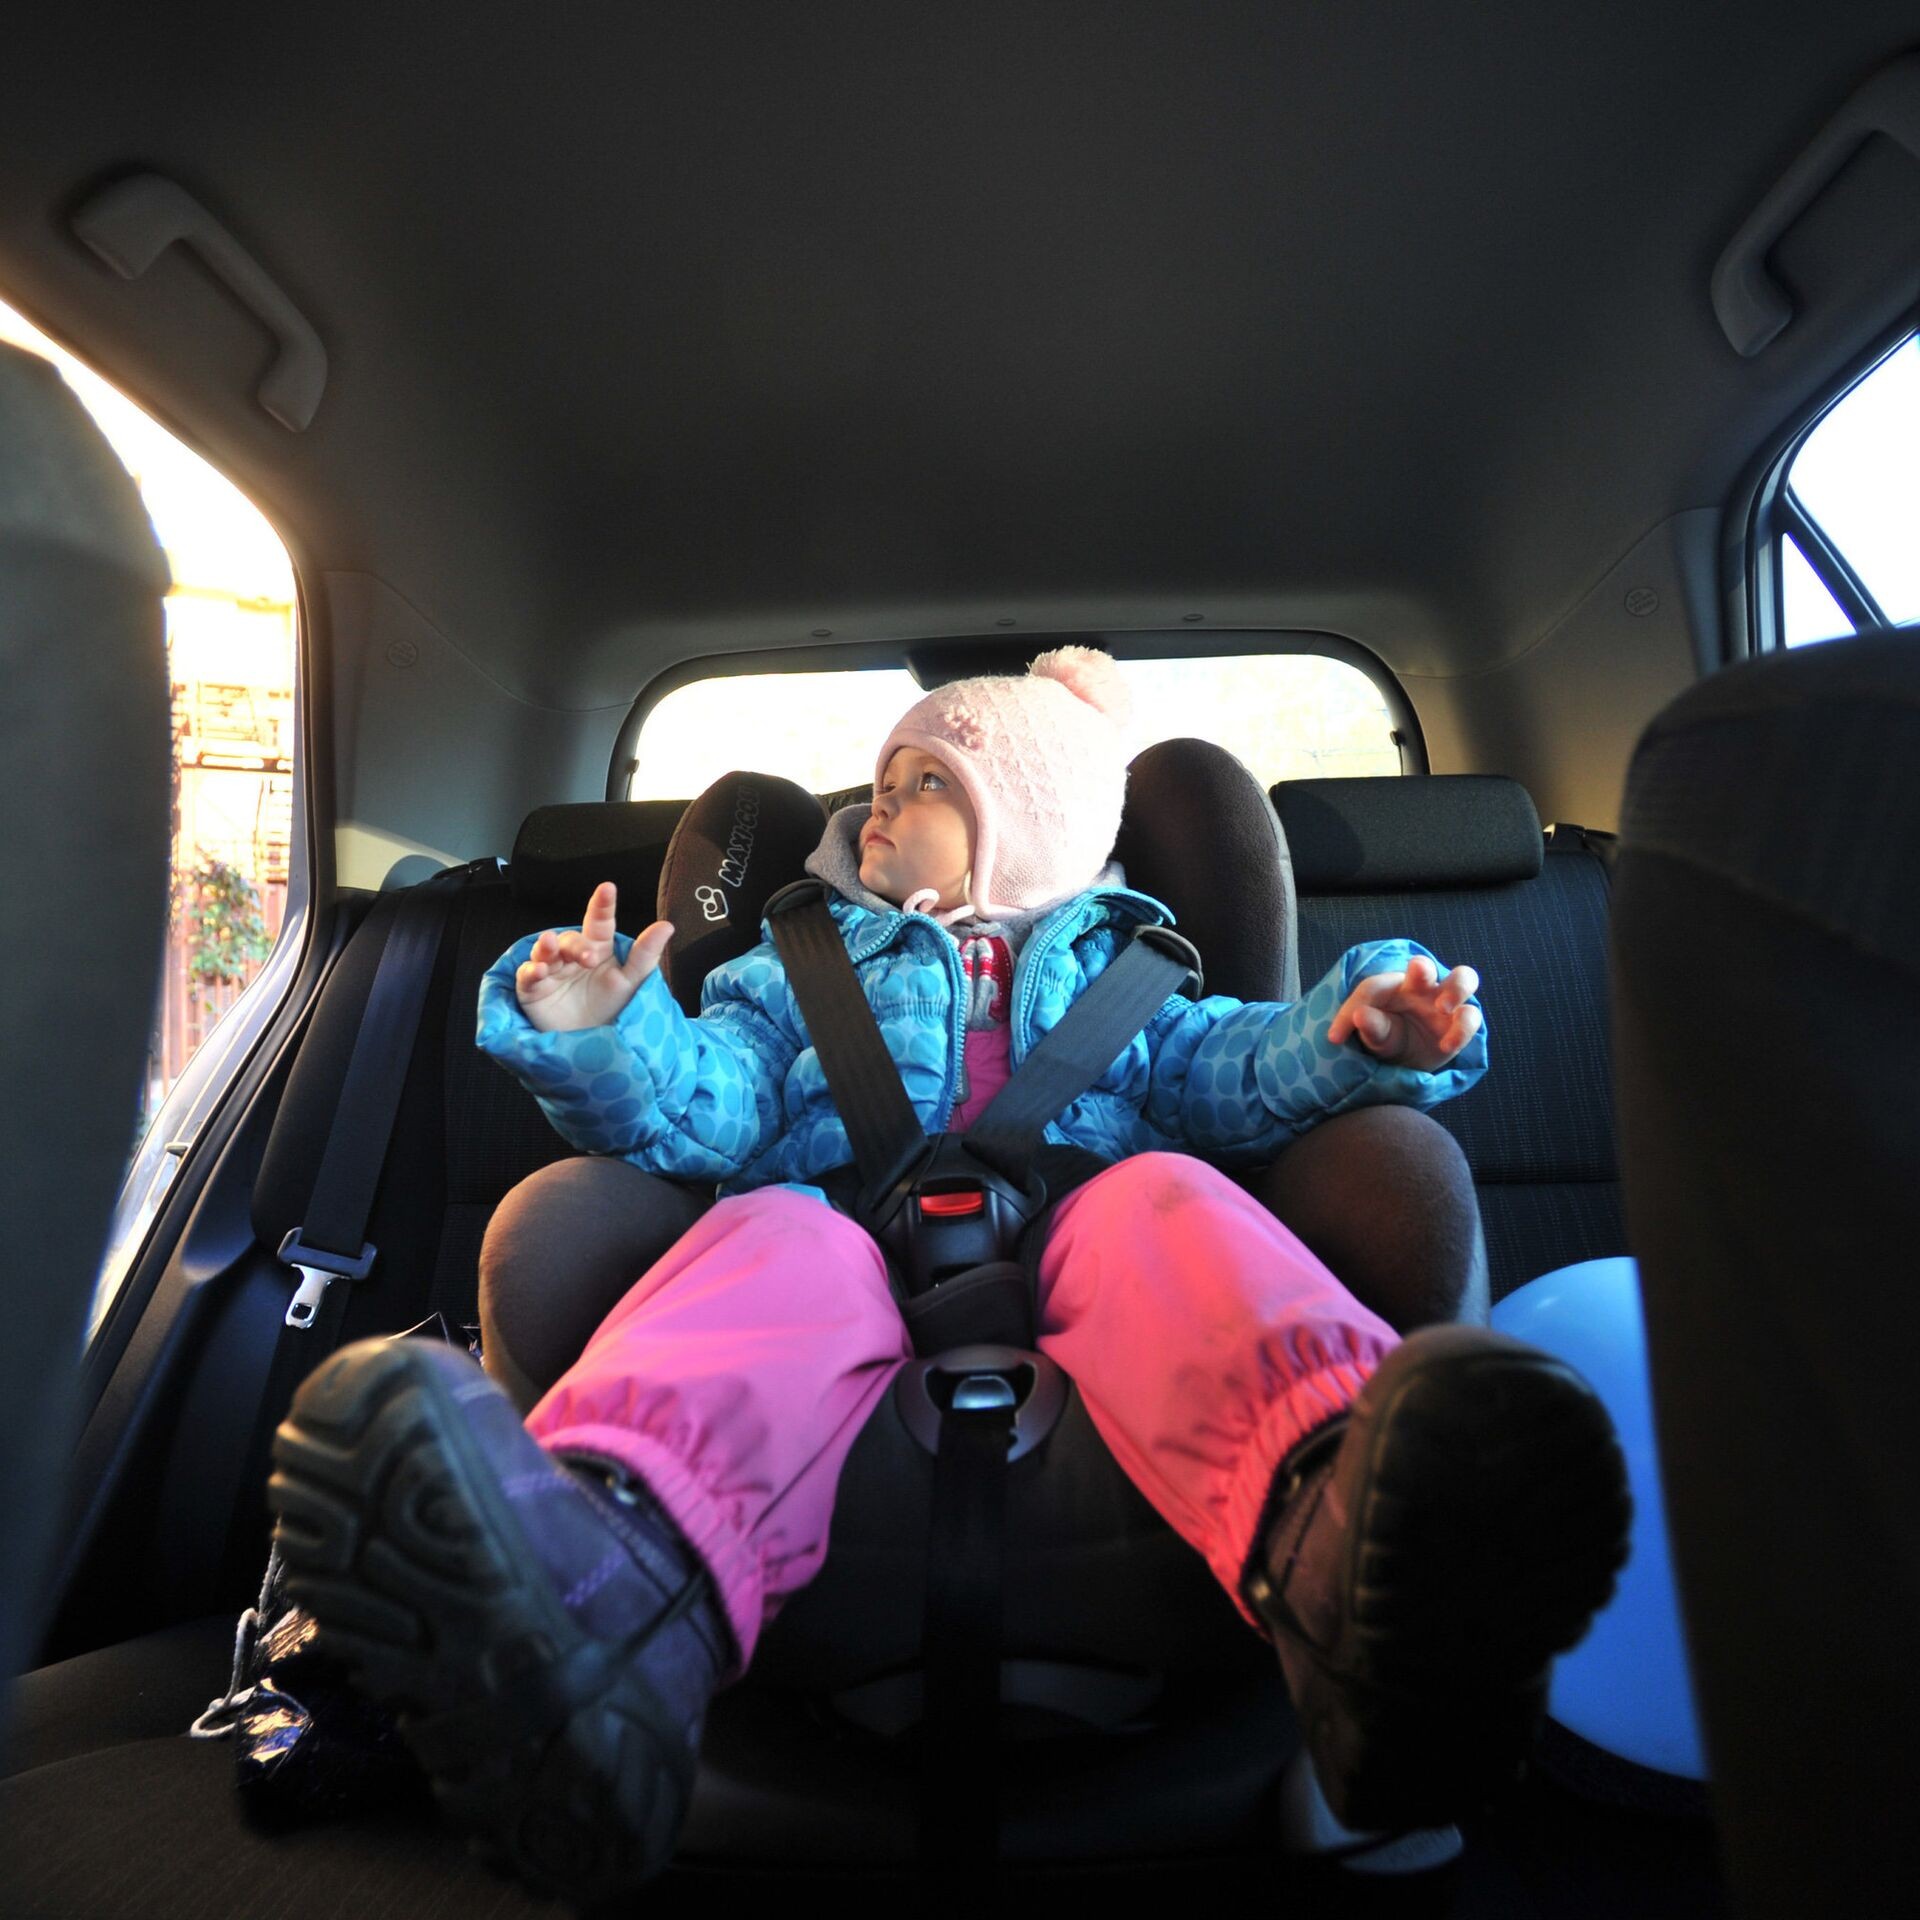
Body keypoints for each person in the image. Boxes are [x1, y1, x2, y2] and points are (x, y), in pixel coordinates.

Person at [266, 647, 1629, 1908]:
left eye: (929, 784)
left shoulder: (1134, 971)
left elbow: (1238, 1069)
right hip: (845, 1259)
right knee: (767, 1236)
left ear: (1033, 829)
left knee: (1169, 1200)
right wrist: (608, 1036)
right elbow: (710, 1104)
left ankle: (1350, 1552)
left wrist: (1354, 1031)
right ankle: (603, 1609)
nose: (878, 801)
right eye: (886, 775)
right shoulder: (792, 967)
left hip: (1095, 1261)